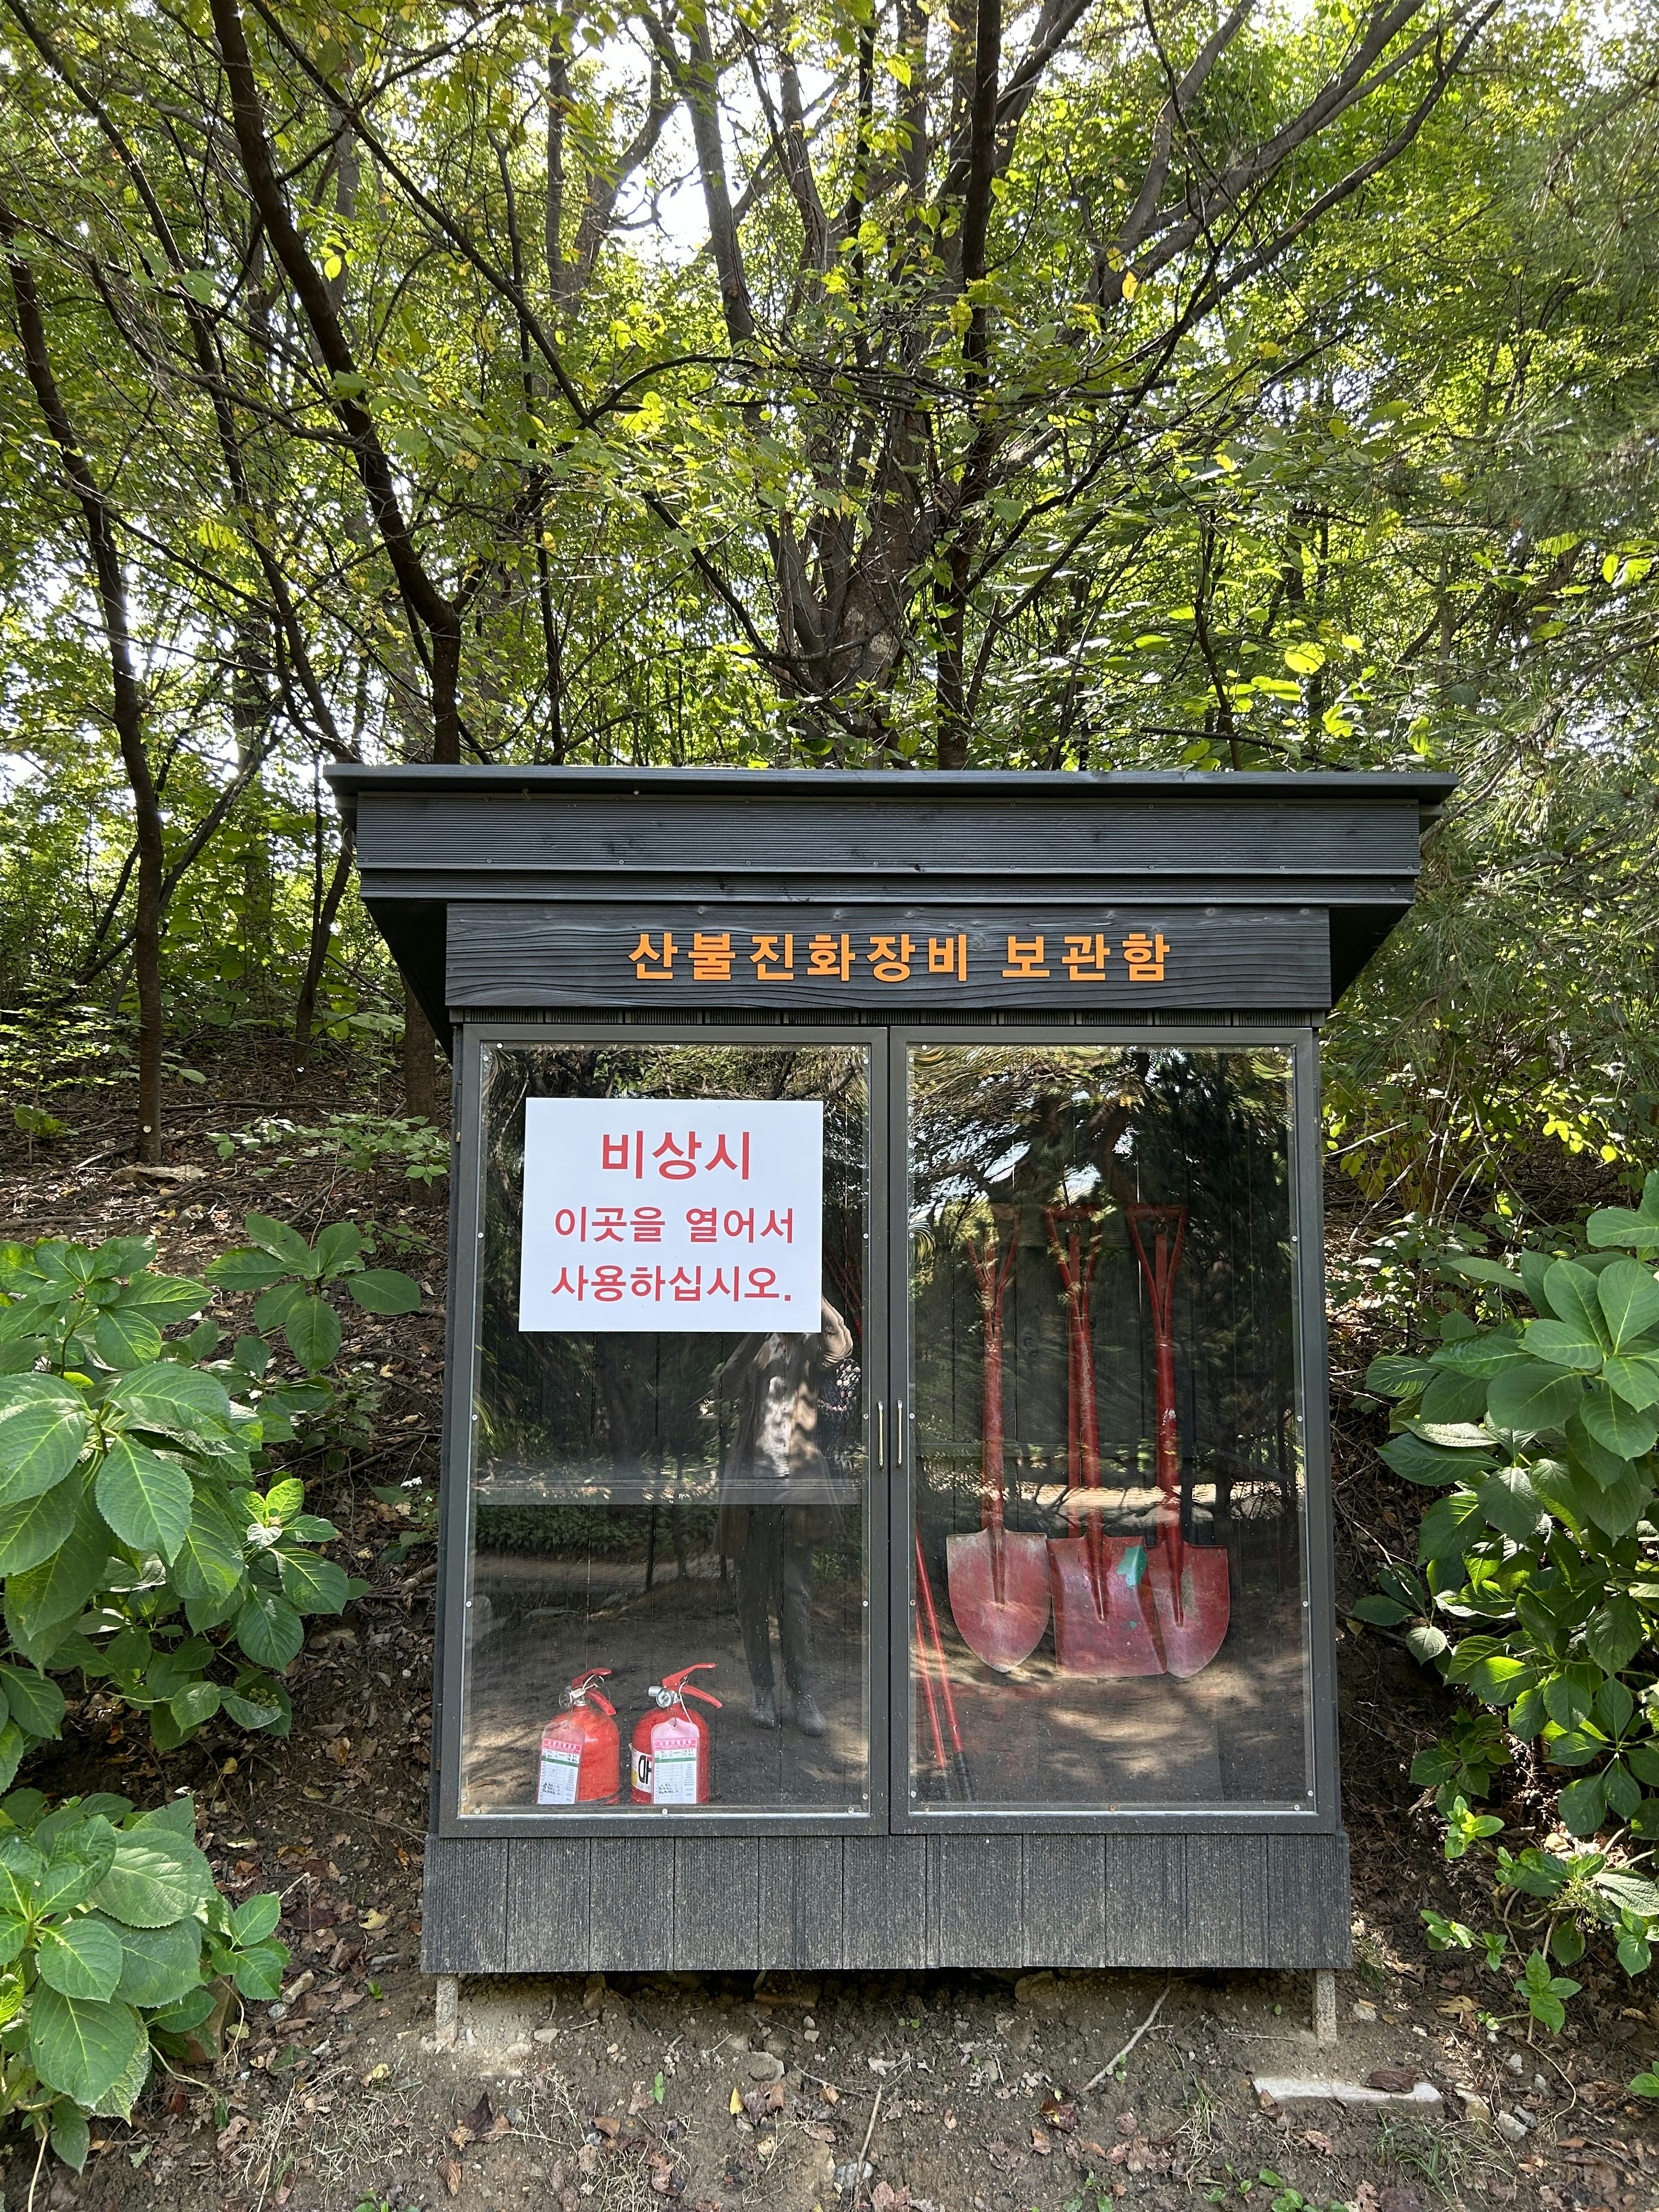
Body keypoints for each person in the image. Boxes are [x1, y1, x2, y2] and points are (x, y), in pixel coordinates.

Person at [714, 1299, 854, 1736]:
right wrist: (761, 1326)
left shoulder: (812, 1347)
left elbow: (842, 1344)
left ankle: (803, 1693)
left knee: (794, 1595)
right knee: (751, 1594)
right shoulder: (759, 1341)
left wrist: (810, 1293)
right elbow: (725, 1384)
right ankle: (762, 1691)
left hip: (795, 1489)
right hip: (751, 1488)